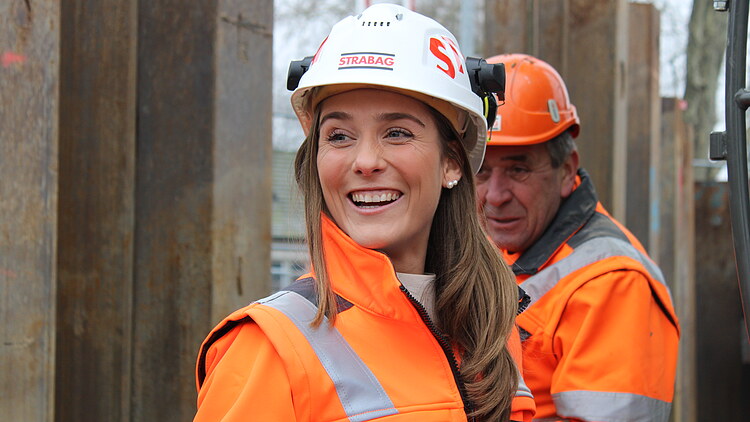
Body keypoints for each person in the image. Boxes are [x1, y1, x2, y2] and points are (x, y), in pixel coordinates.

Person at [193, 5, 535, 421]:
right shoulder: (270, 348)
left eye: (397, 133)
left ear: (452, 162)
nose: (366, 161)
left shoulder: (490, 329)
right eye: (339, 136)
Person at [475, 53, 680, 422]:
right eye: (481, 171)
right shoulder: (498, 249)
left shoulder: (614, 285)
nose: (495, 195)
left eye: (518, 169)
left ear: (567, 170)